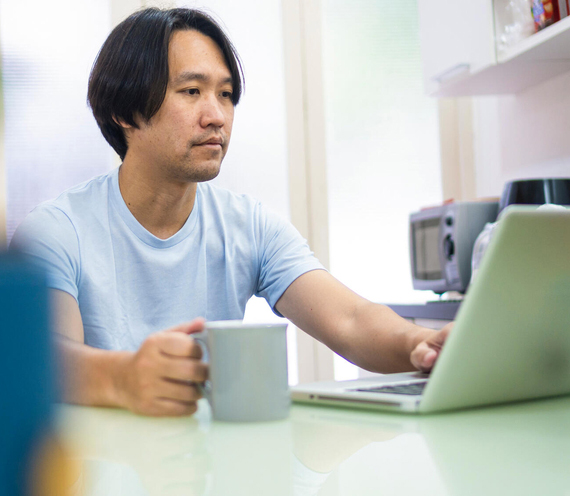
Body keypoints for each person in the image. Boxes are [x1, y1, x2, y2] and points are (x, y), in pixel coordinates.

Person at [11, 7, 451, 417]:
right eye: (191, 91)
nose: (217, 116)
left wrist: (418, 342)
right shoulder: (56, 230)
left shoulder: (249, 225)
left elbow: (351, 320)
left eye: (225, 95)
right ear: (124, 111)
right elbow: (42, 356)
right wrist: (124, 378)